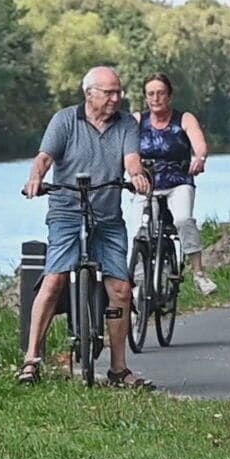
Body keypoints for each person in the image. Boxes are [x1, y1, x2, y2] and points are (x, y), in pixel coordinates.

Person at [18, 66, 154, 387]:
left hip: (107, 217)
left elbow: (131, 158)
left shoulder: (126, 123)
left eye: (118, 92)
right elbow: (44, 158)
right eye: (108, 92)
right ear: (89, 93)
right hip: (66, 212)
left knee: (120, 290)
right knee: (54, 279)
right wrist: (36, 178)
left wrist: (136, 175)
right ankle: (31, 361)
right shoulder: (65, 120)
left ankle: (119, 369)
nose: (116, 98)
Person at [136, 72, 217, 294]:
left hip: (178, 181)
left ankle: (199, 274)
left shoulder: (184, 119)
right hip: (147, 184)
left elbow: (199, 144)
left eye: (160, 93)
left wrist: (199, 158)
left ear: (169, 96)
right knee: (140, 231)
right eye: (150, 94)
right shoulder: (138, 120)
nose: (155, 98)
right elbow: (125, 149)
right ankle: (139, 283)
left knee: (183, 220)